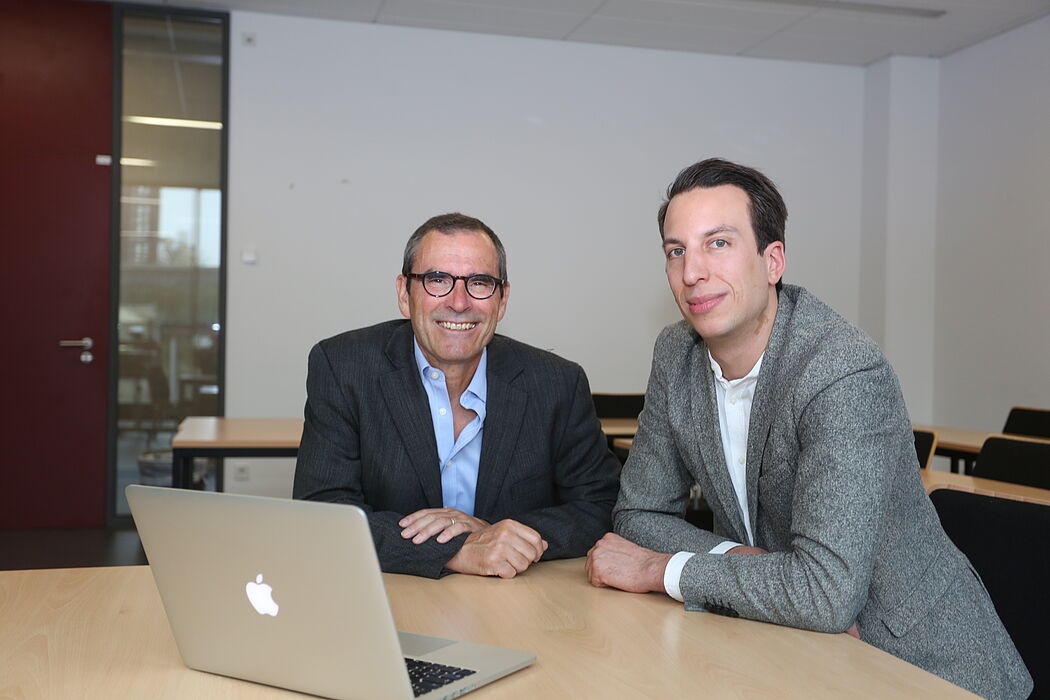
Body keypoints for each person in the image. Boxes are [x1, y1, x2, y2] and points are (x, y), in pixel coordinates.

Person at [585, 159, 1032, 699]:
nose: (691, 272)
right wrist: (744, 561)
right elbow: (638, 513)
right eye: (676, 250)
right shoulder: (676, 351)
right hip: (789, 647)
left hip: (917, 665)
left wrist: (665, 569)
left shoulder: (840, 369)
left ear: (772, 260)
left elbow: (826, 595)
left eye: (718, 243)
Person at [294, 212, 620, 580]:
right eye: (437, 280)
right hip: (392, 598)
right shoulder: (343, 367)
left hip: (517, 606)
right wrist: (455, 550)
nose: (460, 302)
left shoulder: (557, 383)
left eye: (479, 282)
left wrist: (494, 532)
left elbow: (601, 505)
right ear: (404, 294)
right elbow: (323, 513)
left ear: (502, 299)